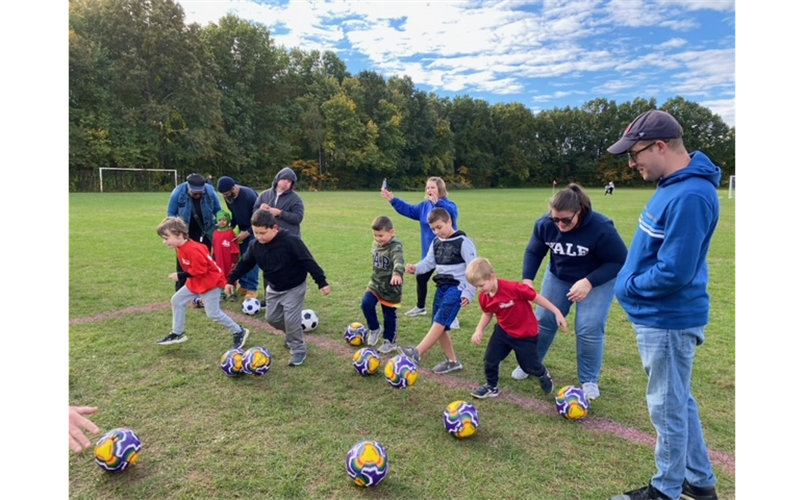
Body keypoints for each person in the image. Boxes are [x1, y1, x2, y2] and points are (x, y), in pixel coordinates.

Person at [607, 110, 721, 500]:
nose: (631, 162)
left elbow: (675, 271)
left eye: (634, 153)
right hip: (659, 317)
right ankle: (700, 483)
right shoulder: (673, 185)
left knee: (667, 407)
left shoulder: (690, 194)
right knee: (678, 401)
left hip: (668, 320)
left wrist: (629, 286)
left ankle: (666, 491)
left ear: (659, 146)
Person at [513, 183, 627, 401]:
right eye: (556, 219)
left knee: (589, 327)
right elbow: (534, 251)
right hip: (559, 276)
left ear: (580, 211)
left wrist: (589, 281)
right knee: (544, 319)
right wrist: (527, 280)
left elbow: (619, 260)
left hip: (597, 279)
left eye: (566, 220)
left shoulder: (601, 228)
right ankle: (532, 364)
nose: (560, 224)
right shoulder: (546, 224)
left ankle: (589, 379)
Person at [225, 210, 331, 367]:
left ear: (274, 228)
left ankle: (298, 349)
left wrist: (321, 282)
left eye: (263, 233)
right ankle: (292, 334)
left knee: (291, 319)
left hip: (295, 286)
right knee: (272, 319)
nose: (259, 237)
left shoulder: (291, 241)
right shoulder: (255, 246)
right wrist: (231, 280)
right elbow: (244, 264)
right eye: (256, 233)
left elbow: (308, 261)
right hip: (274, 288)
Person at [466, 257, 564, 399]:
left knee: (529, 367)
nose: (478, 290)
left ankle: (542, 373)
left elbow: (536, 297)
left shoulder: (514, 288)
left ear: (492, 277)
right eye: (475, 287)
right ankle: (491, 387)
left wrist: (556, 312)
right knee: (490, 359)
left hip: (526, 335)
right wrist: (479, 329)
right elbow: (487, 314)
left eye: (481, 285)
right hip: (503, 331)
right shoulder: (484, 297)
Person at [398, 208, 475, 374]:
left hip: (457, 288)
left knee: (440, 321)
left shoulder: (463, 241)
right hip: (441, 287)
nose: (436, 231)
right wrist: (416, 268)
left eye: (439, 227)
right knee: (439, 325)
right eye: (433, 229)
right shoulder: (436, 242)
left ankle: (416, 353)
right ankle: (453, 361)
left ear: (449, 222)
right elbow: (428, 263)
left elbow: (473, 268)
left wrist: (469, 292)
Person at [156, 217, 249, 350]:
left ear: (180, 235)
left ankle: (239, 331)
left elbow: (201, 270)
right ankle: (178, 333)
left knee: (213, 313)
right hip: (196, 281)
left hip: (210, 282)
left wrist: (180, 275)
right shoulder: (181, 246)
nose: (164, 242)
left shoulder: (192, 249)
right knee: (177, 300)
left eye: (166, 238)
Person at [380, 177, 460, 328]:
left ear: (440, 190)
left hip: (448, 252)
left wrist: (439, 204)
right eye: (428, 187)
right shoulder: (424, 207)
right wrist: (393, 200)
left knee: (448, 285)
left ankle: (452, 316)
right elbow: (409, 210)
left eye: (433, 188)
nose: (429, 190)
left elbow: (453, 213)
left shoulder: (448, 205)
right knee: (421, 278)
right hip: (430, 254)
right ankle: (420, 307)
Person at [167, 173, 221, 291]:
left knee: (204, 261)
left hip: (205, 232)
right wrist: (175, 232)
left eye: (200, 193)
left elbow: (218, 211)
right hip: (185, 233)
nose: (198, 195)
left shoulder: (210, 191)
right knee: (183, 262)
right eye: (194, 193)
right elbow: (171, 213)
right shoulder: (178, 192)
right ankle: (181, 290)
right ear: (188, 187)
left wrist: (221, 224)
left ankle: (204, 289)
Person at [361, 216, 405, 354]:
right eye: (375, 235)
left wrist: (397, 273)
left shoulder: (395, 247)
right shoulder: (375, 244)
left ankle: (389, 341)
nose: (378, 239)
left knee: (389, 315)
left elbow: (399, 260)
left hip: (391, 288)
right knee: (366, 304)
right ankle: (374, 328)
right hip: (375, 283)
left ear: (392, 232)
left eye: (381, 235)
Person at [217, 176, 260, 299]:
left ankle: (252, 289)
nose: (225, 196)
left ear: (233, 188)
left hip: (254, 230)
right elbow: (235, 213)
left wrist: (248, 232)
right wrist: (231, 228)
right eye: (223, 195)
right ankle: (244, 285)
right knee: (241, 258)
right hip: (241, 230)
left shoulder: (249, 196)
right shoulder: (229, 198)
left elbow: (259, 217)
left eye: (226, 194)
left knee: (252, 259)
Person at [254, 167, 305, 237]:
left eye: (289, 181)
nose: (286, 182)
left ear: (292, 184)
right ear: (277, 179)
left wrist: (280, 213)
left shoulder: (296, 199)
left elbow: (298, 218)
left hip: (288, 238)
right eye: (284, 179)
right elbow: (254, 211)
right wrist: (260, 210)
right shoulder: (264, 195)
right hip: (268, 237)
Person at [211, 209, 240, 300]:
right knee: (220, 274)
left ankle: (232, 293)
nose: (222, 222)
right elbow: (214, 246)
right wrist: (213, 257)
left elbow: (234, 247)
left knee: (230, 274)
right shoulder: (215, 233)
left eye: (224, 220)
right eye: (219, 220)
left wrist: (234, 259)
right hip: (219, 259)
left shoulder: (230, 232)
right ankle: (223, 293)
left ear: (228, 221)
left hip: (229, 259)